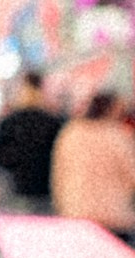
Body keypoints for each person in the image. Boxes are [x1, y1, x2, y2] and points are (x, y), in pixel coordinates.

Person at [51, 91, 135, 239]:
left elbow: (59, 173)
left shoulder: (71, 132)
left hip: (76, 211)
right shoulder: (117, 135)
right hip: (113, 216)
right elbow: (132, 175)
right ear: (111, 109)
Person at [0, 70, 61, 211]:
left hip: (17, 189)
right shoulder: (52, 122)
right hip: (45, 190)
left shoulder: (11, 122)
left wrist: (18, 165)